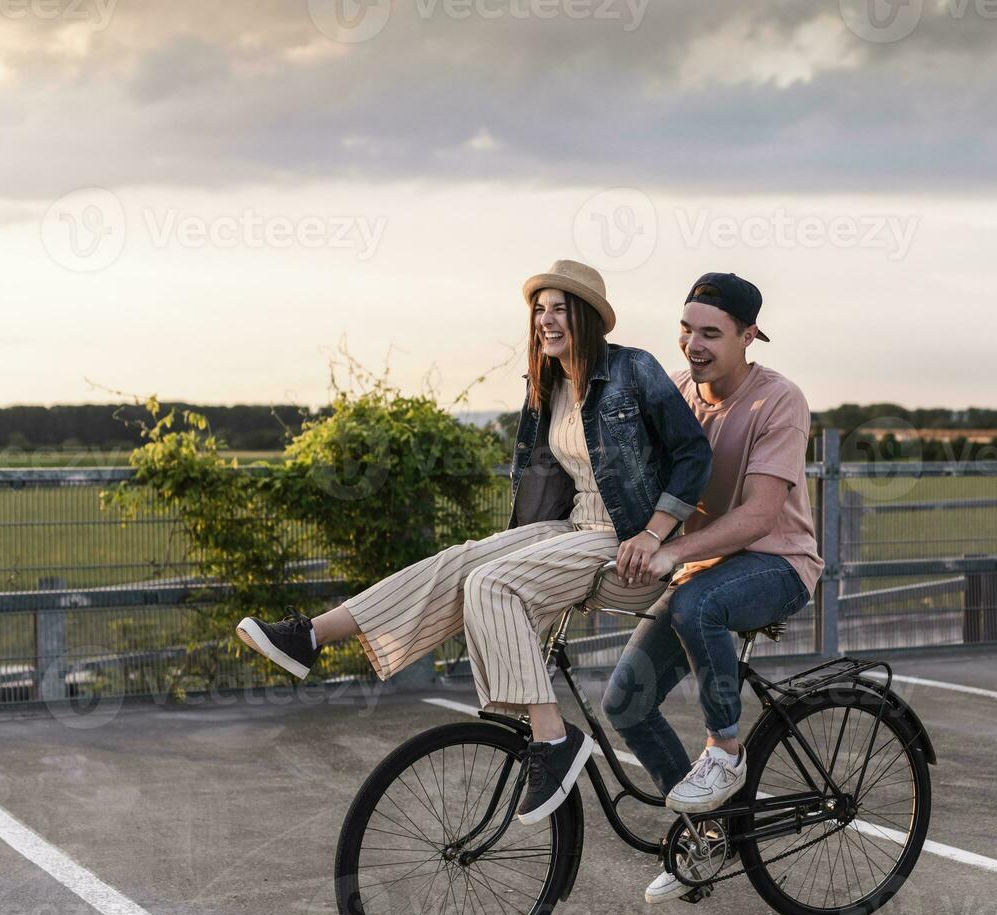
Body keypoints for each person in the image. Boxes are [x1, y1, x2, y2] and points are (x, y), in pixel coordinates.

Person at [235, 259, 712, 825]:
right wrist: (520, 540)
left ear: (585, 317)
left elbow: (692, 455)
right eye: (540, 310)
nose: (546, 320)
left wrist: (656, 533)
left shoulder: (634, 370)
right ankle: (311, 636)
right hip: (572, 529)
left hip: (628, 542)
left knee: (491, 583)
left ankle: (552, 740)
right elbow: (549, 483)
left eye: (560, 309)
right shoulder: (550, 386)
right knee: (460, 561)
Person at [600, 272, 823, 902]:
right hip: (703, 565)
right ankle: (707, 832)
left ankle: (725, 749)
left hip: (777, 563)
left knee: (700, 603)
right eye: (686, 330)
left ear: (749, 336)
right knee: (625, 704)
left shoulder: (778, 400)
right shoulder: (677, 391)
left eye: (710, 333)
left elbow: (757, 515)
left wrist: (669, 554)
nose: (693, 345)